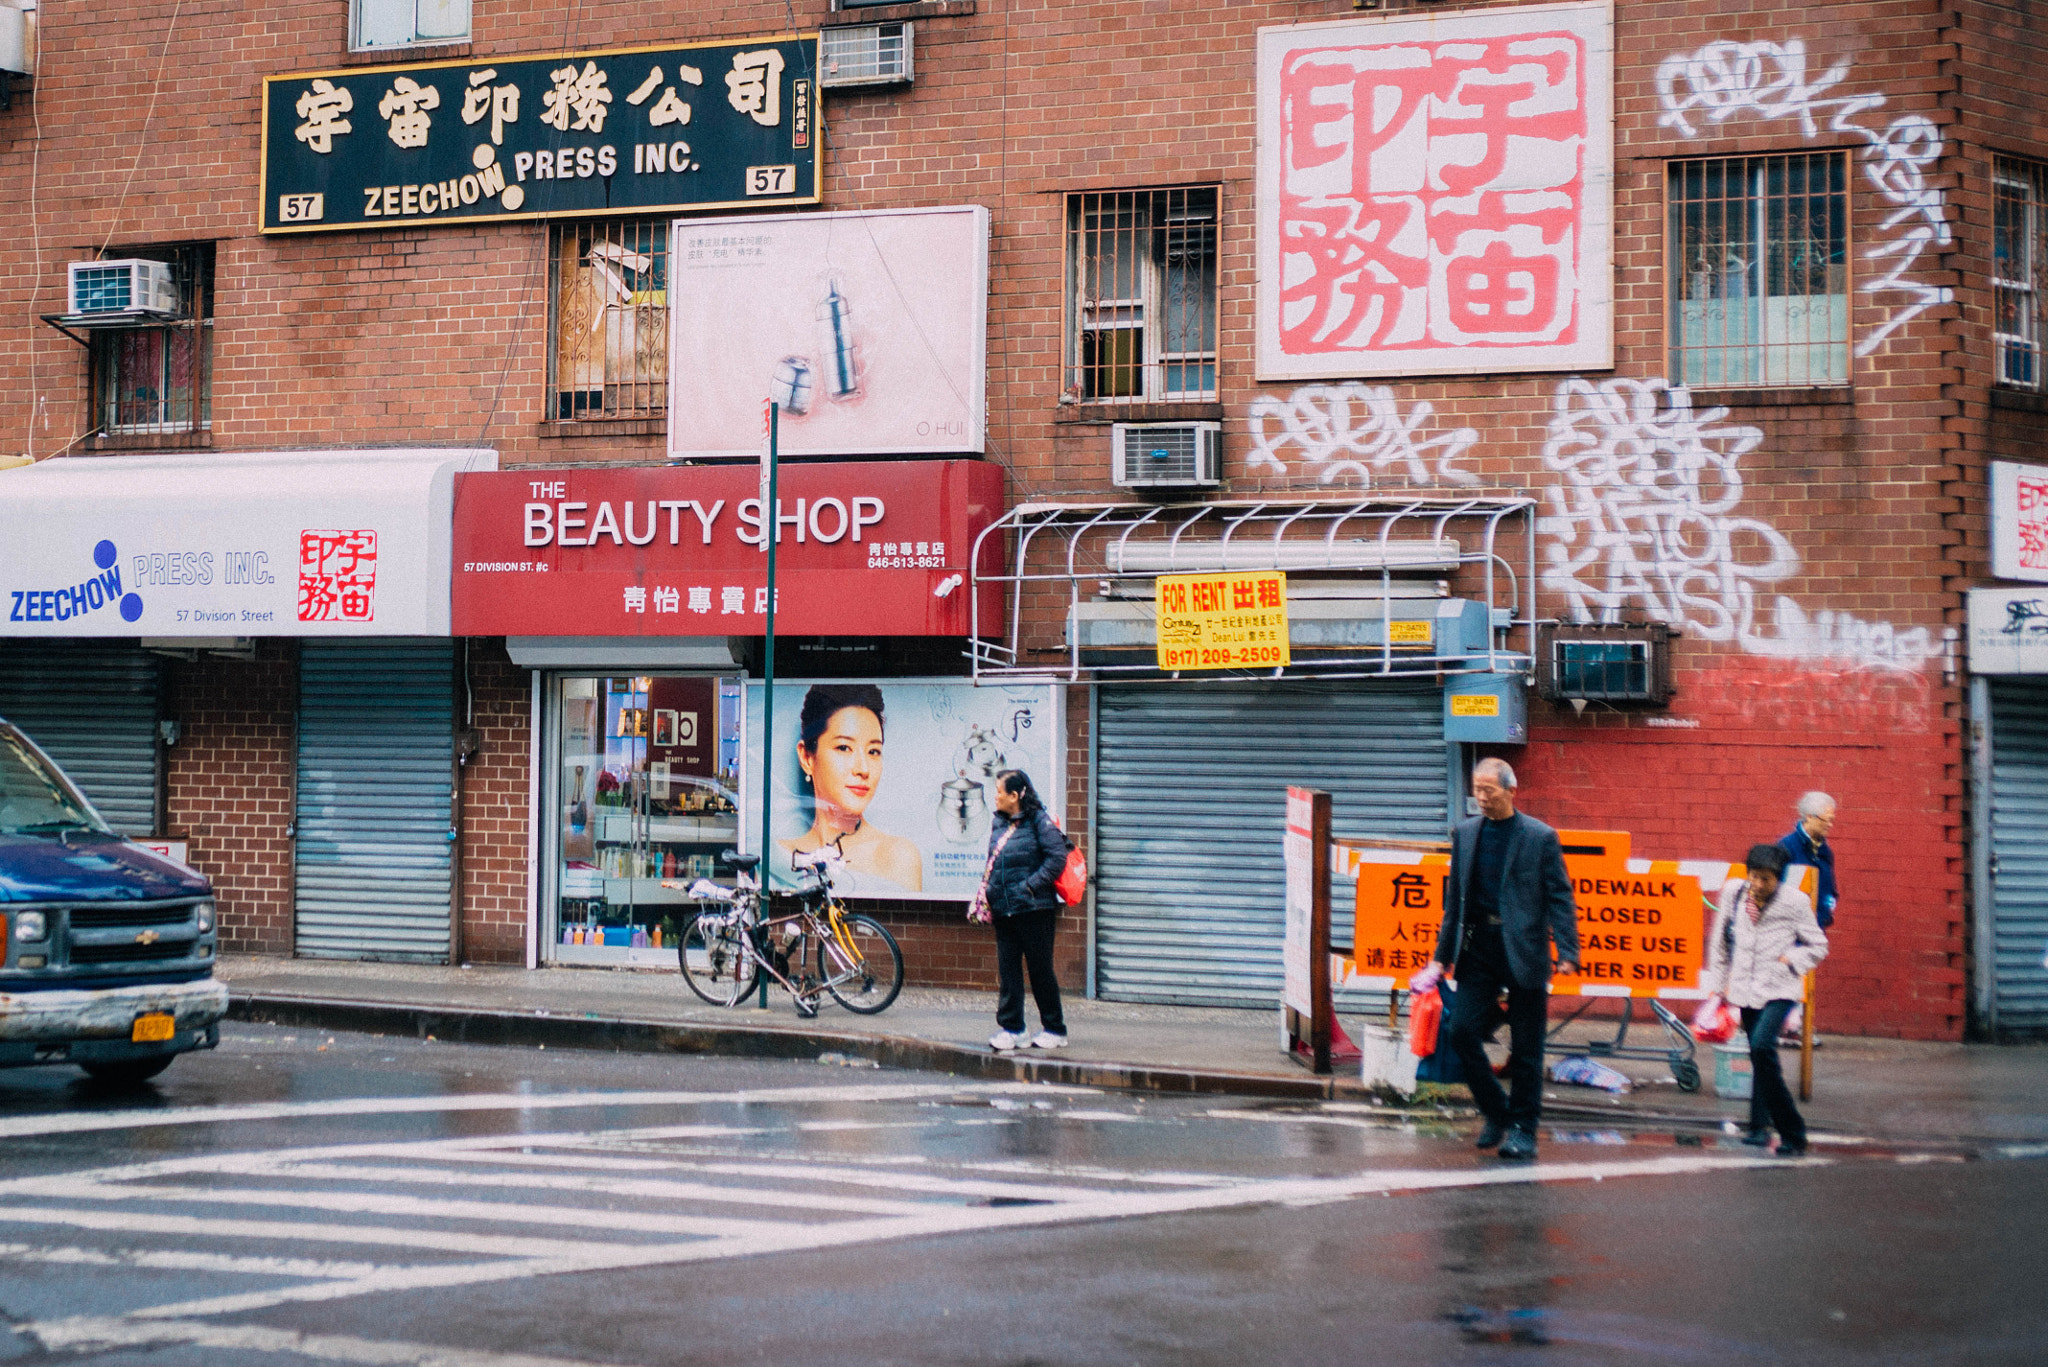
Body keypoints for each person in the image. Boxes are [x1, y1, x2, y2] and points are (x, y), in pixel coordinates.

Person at [1416, 758, 1580, 1162]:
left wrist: (1568, 952)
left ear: (1511, 789)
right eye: (1477, 790)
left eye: (1489, 790)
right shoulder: (1467, 834)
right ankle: (1496, 1110)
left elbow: (1560, 897)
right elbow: (1454, 902)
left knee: (1526, 1047)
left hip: (1523, 948)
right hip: (1479, 948)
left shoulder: (1540, 837)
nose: (1482, 798)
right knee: (1461, 1031)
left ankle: (1524, 1128)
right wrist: (1440, 958)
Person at [1705, 843, 1829, 1157]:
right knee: (1760, 1057)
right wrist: (1718, 988)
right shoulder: (1734, 893)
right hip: (1745, 989)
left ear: (1779, 879)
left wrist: (1791, 960)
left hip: (1780, 989)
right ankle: (1759, 1129)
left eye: (1767, 879)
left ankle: (1793, 1131)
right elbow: (1720, 942)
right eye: (1754, 877)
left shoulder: (1795, 902)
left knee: (1761, 1048)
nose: (1758, 885)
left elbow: (1818, 945)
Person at [778, 684, 922, 892]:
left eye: (873, 751)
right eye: (844, 748)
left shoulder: (897, 855)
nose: (863, 769)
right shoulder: (781, 856)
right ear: (807, 757)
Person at [972, 769, 1069, 1052]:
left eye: (999, 792)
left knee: (1040, 971)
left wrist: (1029, 886)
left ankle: (1055, 1029)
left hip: (1034, 909)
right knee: (1009, 971)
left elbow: (1057, 858)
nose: (995, 796)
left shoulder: (1040, 821)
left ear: (1014, 796)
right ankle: (1013, 1029)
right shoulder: (999, 823)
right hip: (1005, 909)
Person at [1776, 792, 1839, 929]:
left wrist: (1827, 911)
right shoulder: (1786, 847)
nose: (1830, 825)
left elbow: (1831, 890)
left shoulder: (1826, 852)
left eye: (1832, 820)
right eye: (1826, 820)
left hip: (1817, 930)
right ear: (1810, 817)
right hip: (1790, 932)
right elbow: (1777, 890)